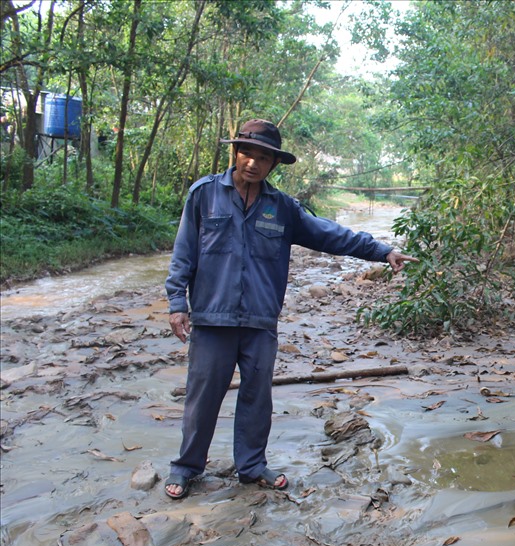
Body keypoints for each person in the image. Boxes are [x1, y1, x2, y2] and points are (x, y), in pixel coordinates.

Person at [163, 119, 415, 499]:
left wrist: (381, 251)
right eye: (247, 153)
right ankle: (186, 466)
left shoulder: (281, 208)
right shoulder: (204, 195)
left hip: (261, 319)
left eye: (264, 158)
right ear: (236, 153)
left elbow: (330, 235)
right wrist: (176, 302)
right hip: (212, 317)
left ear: (273, 165)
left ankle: (251, 466)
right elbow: (184, 252)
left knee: (256, 396)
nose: (253, 163)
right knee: (203, 397)